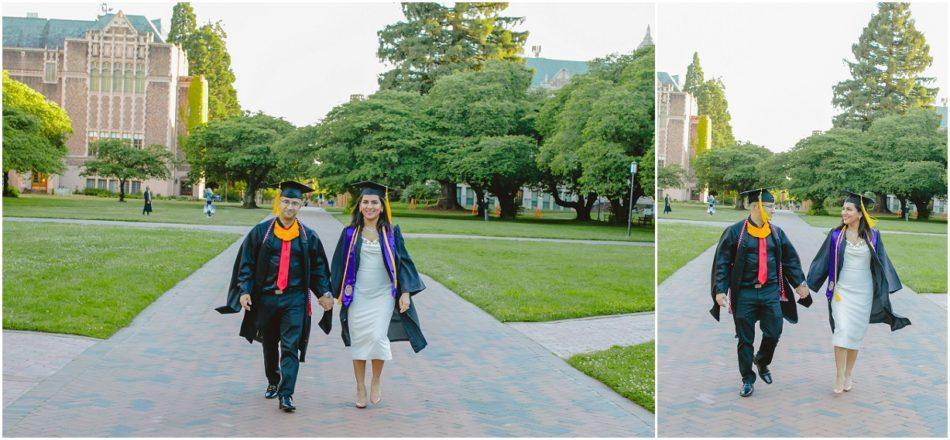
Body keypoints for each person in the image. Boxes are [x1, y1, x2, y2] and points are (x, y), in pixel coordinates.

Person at [216, 181, 335, 413]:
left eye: (295, 203)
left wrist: (325, 293)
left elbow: (319, 268)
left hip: (294, 300)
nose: (290, 207)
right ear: (278, 202)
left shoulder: (308, 237)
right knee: (270, 344)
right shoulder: (261, 233)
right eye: (286, 202)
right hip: (267, 299)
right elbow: (247, 264)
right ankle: (273, 379)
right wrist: (244, 290)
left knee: (291, 346)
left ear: (301, 204)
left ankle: (286, 394)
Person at [330, 181, 427, 408]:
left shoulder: (392, 233)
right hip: (357, 295)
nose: (370, 206)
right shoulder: (350, 233)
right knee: (360, 340)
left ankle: (375, 380)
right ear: (360, 205)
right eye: (366, 202)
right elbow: (337, 265)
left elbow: (404, 263)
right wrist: (330, 294)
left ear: (382, 206)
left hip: (383, 295)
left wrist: (406, 293)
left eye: (374, 202)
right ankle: (359, 386)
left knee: (377, 337)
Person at [710, 188, 812, 397]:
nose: (774, 210)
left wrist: (799, 284)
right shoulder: (735, 232)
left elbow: (790, 260)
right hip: (745, 293)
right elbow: (721, 262)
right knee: (745, 339)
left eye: (774, 206)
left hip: (770, 292)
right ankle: (747, 379)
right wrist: (720, 290)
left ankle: (762, 361)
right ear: (757, 206)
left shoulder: (776, 233)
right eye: (770, 206)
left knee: (774, 331)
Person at [806, 191, 910, 393]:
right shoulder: (836, 235)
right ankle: (838, 375)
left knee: (854, 335)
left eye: (848, 209)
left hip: (864, 293)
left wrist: (887, 286)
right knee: (842, 329)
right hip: (841, 291)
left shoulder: (873, 236)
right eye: (843, 208)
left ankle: (848, 374)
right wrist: (807, 283)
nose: (843, 212)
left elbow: (882, 263)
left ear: (860, 213)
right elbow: (822, 260)